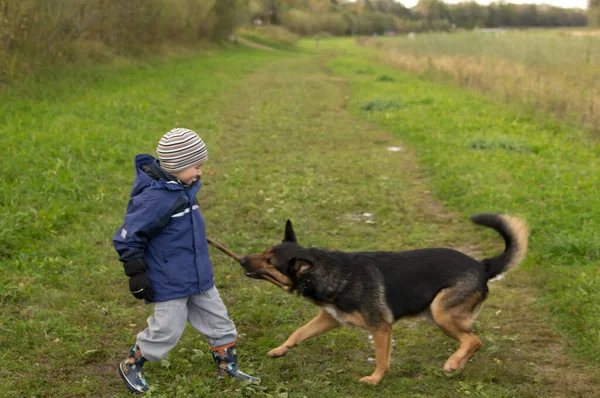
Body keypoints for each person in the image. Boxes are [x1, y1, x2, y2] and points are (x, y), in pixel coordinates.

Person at [113, 127, 260, 394]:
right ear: (176, 166)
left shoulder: (182, 188)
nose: (200, 172)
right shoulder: (154, 199)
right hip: (169, 279)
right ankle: (132, 364)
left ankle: (228, 368)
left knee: (220, 322)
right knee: (166, 330)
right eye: (196, 166)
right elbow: (128, 236)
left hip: (198, 275)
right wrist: (136, 273)